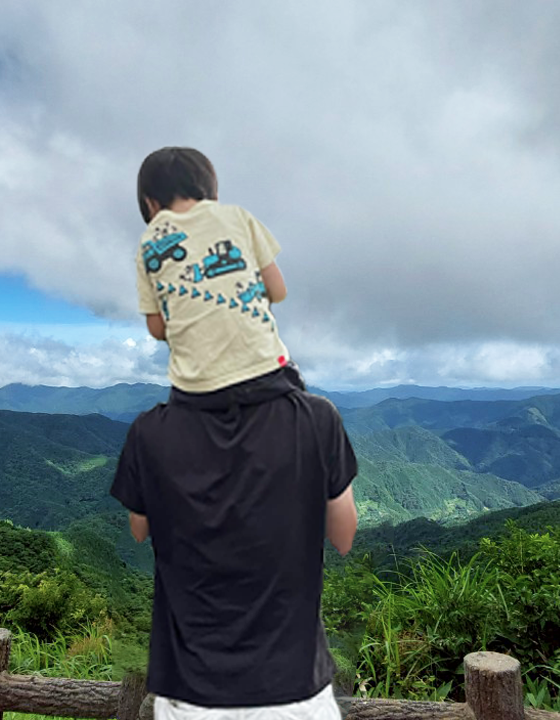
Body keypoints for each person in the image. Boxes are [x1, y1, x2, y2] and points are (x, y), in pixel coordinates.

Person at [111, 147, 360, 719]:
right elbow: (344, 537)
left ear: (149, 202)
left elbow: (139, 530)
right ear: (210, 190)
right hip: (297, 697)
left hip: (190, 699)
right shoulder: (316, 419)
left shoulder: (150, 433)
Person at [133, 146, 291, 394]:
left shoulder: (148, 244)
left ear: (150, 204)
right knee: (315, 409)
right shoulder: (238, 217)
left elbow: (156, 328)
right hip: (266, 371)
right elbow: (278, 291)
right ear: (211, 193)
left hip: (197, 388)